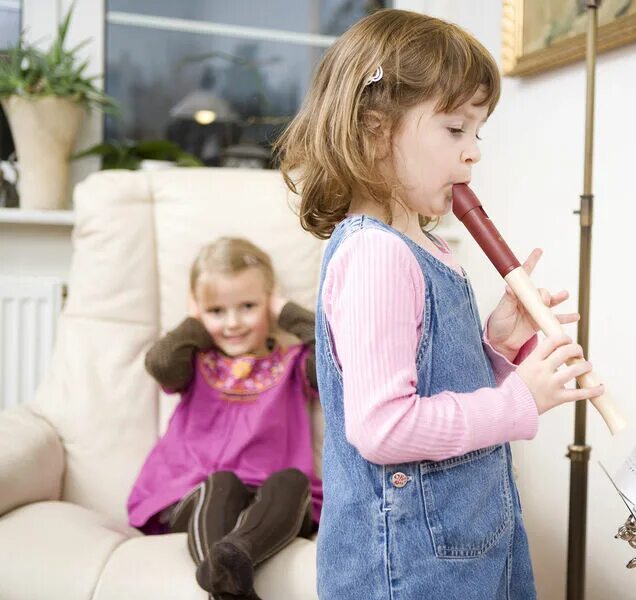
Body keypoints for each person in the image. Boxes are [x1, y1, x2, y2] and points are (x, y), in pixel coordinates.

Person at [276, 9, 606, 599]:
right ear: (376, 132)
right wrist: (521, 399)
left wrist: (498, 343)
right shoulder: (375, 255)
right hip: (409, 570)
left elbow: (433, 374)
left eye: (477, 132)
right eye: (455, 130)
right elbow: (384, 427)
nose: (472, 152)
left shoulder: (425, 246)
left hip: (468, 540)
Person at [127, 237, 321, 600]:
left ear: (269, 304)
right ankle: (231, 585)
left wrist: (284, 310)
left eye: (248, 306)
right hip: (200, 496)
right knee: (223, 483)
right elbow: (160, 363)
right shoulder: (194, 360)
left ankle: (234, 562)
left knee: (293, 481)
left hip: (269, 507)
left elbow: (333, 356)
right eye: (216, 311)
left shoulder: (293, 363)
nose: (232, 323)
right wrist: (193, 320)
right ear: (199, 312)